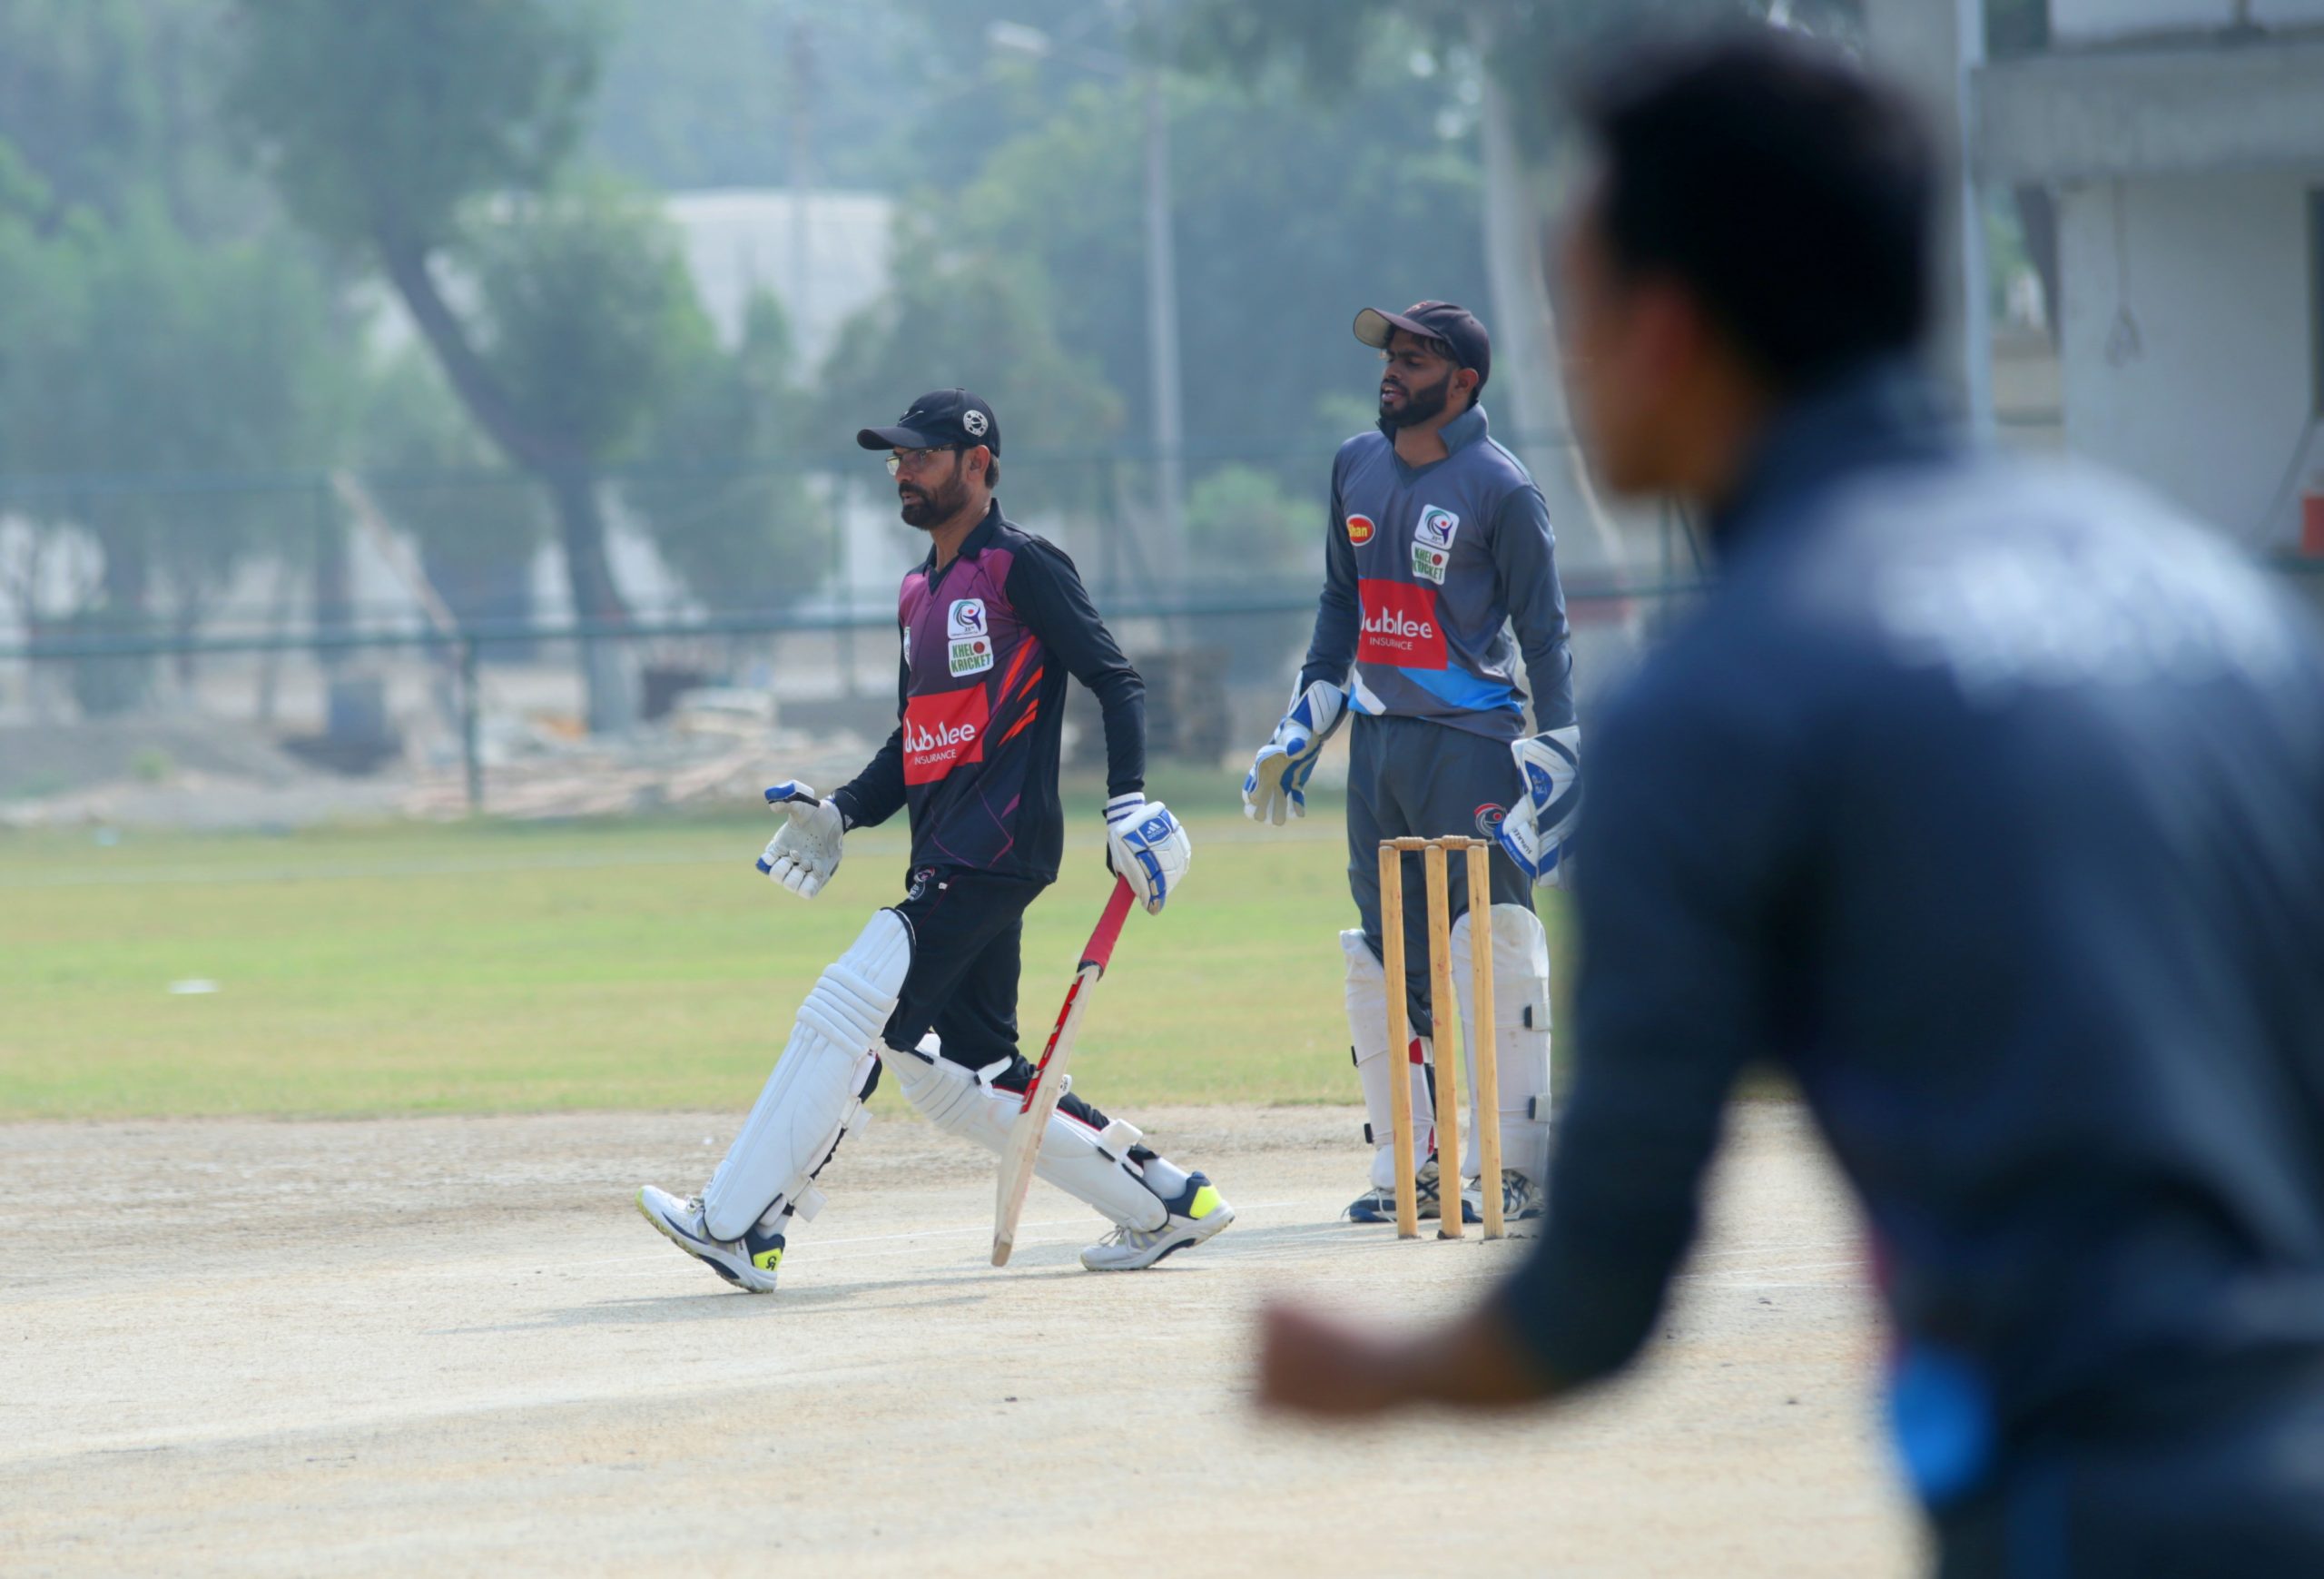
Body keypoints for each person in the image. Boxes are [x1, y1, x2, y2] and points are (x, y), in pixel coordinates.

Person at [1256, 33, 2324, 1576]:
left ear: (1666, 333)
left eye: (1577, 313)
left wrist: (1376, 1371)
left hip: (2098, 1506)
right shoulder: (2221, 609)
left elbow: (1599, 1292)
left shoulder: (1729, 697)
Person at [640, 389, 1233, 1288]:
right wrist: (842, 811)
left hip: (997, 843)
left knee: (854, 1001)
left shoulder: (1020, 564)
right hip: (947, 849)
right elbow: (912, 738)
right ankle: (1167, 1203)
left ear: (978, 463)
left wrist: (1127, 802)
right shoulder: (917, 590)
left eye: (920, 456)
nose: (902, 472)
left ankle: (741, 1221)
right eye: (897, 458)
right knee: (965, 1070)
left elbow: (1116, 678)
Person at [1241, 300, 1580, 1227]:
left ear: (1463, 382)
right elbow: (1339, 602)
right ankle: (1412, 1164)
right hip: (1379, 744)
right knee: (1383, 950)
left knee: (1495, 942)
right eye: (1390, 355)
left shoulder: (1502, 487)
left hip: (1473, 744)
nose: (1392, 370)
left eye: (1416, 359)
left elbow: (1544, 633)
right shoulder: (1354, 462)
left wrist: (1560, 750)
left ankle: (1514, 1167)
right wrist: (1307, 714)